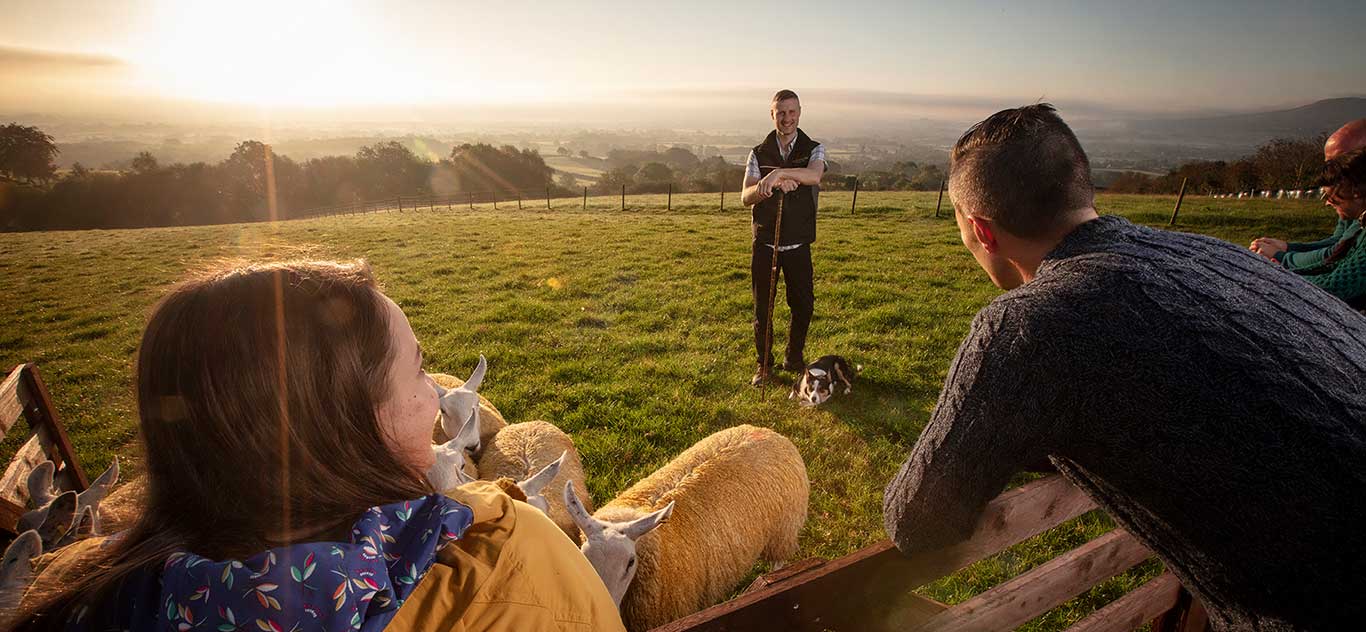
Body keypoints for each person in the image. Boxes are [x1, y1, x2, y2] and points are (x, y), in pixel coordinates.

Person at [882, 105, 1366, 630]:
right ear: (1081, 189)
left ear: (982, 230)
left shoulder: (1031, 322)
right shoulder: (1211, 253)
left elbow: (919, 518)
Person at [8, 261, 625, 632]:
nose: (436, 400)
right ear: (341, 428)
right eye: (416, 371)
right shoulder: (499, 557)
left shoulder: (85, 594)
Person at [741, 89, 827, 386]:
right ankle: (764, 366)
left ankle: (794, 357)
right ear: (772, 115)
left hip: (798, 243)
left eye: (792, 112)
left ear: (800, 112)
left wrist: (776, 174)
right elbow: (746, 195)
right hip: (765, 242)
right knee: (763, 308)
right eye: (781, 113)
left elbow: (814, 176)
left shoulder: (814, 148)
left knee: (803, 305)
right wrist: (766, 186)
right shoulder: (757, 152)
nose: (787, 118)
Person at [1250, 119, 1366, 305]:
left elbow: (1337, 284)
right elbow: (1337, 259)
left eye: (1341, 163)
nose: (1327, 202)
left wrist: (1280, 264)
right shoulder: (1358, 213)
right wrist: (1283, 263)